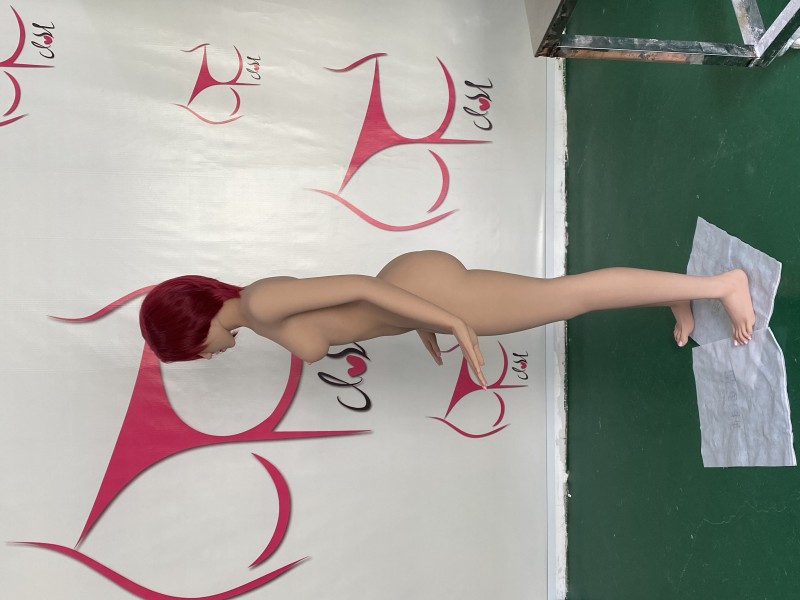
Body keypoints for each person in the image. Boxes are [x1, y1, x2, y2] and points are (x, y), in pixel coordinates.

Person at [139, 250, 755, 388]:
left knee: (570, 296)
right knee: (566, 297)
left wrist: (450, 320)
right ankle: (673, 296)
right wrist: (423, 326)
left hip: (428, 290)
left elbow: (363, 287)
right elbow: (359, 309)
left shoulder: (261, 304)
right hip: (419, 299)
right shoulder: (257, 314)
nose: (205, 356)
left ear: (195, 323)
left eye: (194, 348)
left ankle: (721, 284)